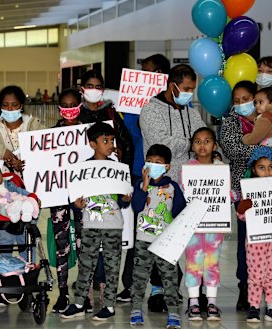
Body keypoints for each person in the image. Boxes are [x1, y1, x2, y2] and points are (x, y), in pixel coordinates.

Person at [220, 80, 272, 312]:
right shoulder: (232, 121)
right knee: (247, 244)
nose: (242, 104)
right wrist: (267, 151)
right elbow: (232, 149)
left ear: (256, 98)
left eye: (246, 99)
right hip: (246, 191)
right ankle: (246, 289)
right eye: (237, 101)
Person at [60, 122, 130, 321]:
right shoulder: (83, 169)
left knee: (112, 266)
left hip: (113, 225)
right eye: (105, 141)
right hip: (90, 224)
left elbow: (123, 200)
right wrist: (77, 206)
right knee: (86, 265)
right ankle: (80, 303)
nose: (110, 144)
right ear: (92, 144)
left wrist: (125, 199)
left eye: (111, 140)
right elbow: (73, 199)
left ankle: (109, 305)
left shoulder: (118, 168)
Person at [117, 53, 171, 304]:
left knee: (165, 231)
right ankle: (131, 284)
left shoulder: (175, 103)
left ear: (159, 75)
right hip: (141, 174)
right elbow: (131, 133)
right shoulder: (134, 106)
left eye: (147, 71)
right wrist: (135, 109)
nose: (142, 75)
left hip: (168, 177)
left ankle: (164, 285)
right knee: (140, 232)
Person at [0, 85, 43, 257]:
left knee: (28, 238)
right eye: (5, 105)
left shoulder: (36, 127)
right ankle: (5, 275)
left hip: (29, 191)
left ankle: (28, 273)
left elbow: (47, 155)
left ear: (21, 105)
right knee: (3, 237)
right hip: (1, 194)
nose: (10, 109)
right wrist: (1, 152)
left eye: (14, 104)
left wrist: (27, 164)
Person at [129, 144, 186, 328]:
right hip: (143, 240)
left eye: (158, 162)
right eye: (150, 161)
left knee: (169, 279)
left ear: (167, 166)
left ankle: (173, 312)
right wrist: (144, 187)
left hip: (165, 243)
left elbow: (180, 212)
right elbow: (136, 207)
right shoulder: (139, 185)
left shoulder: (173, 187)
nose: (153, 165)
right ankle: (136, 308)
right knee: (139, 276)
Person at [237, 146, 272, 324]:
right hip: (256, 241)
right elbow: (242, 216)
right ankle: (253, 306)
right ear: (254, 169)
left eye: (271, 166)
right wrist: (243, 207)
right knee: (255, 274)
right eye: (262, 167)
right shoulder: (249, 190)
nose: (267, 171)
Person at [182, 127, 226, 321]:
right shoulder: (187, 169)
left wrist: (234, 196)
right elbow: (183, 193)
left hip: (214, 227)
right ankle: (193, 303)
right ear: (192, 145)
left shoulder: (220, 169)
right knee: (193, 263)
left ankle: (212, 302)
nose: (202, 145)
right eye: (198, 141)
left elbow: (226, 195)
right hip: (192, 227)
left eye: (207, 141)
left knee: (212, 263)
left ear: (214, 145)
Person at [50, 88, 84, 313]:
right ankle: (62, 293)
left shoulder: (89, 132)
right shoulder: (50, 135)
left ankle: (84, 293)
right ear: (59, 108)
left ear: (80, 105)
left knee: (85, 245)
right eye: (65, 106)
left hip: (84, 197)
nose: (69, 110)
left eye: (73, 105)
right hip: (58, 196)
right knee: (62, 245)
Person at [140, 64, 206, 180]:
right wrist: (192, 144)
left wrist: (215, 154)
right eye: (186, 89)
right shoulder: (150, 110)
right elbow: (161, 144)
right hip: (163, 184)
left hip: (194, 182)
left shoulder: (193, 113)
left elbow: (206, 138)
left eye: (192, 90)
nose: (190, 94)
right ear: (172, 86)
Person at [77, 70, 133, 167]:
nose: (94, 89)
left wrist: (123, 160)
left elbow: (126, 143)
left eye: (98, 87)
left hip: (110, 171)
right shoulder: (75, 114)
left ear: (103, 90)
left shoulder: (111, 113)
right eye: (89, 86)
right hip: (82, 172)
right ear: (82, 89)